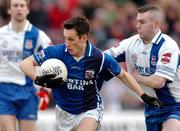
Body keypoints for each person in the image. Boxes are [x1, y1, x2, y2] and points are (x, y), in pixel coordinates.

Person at [20, 16, 161, 131]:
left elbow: (123, 75)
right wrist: (37, 78)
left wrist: (143, 95)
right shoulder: (55, 52)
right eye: (65, 38)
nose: (66, 43)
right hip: (64, 111)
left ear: (83, 38)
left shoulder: (99, 58)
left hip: (90, 109)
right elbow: (25, 64)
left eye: (71, 39)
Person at [105, 5, 180, 131]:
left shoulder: (168, 46)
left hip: (174, 106)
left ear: (156, 24)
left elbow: (159, 82)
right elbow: (103, 57)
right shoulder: (130, 43)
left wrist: (135, 77)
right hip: (151, 107)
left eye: (142, 22)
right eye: (137, 21)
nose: (137, 26)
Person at [0, 0, 51, 131]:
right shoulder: (1, 34)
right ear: (9, 10)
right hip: (3, 90)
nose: (19, 9)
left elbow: (52, 62)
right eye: (15, 6)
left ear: (27, 9)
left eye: (22, 6)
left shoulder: (38, 35)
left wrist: (46, 89)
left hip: (29, 92)